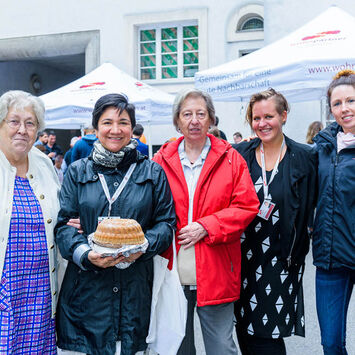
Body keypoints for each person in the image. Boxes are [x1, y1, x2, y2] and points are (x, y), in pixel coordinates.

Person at [55, 93, 175, 355]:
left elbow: (166, 223)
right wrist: (85, 254)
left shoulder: (152, 172)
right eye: (107, 122)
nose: (115, 129)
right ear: (96, 128)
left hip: (134, 293)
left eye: (123, 122)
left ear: (132, 128)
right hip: (86, 296)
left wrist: (144, 245)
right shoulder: (77, 172)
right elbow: (63, 226)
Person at [153, 88, 260, 355]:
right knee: (178, 347)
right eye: (187, 114)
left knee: (221, 347)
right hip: (173, 271)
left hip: (216, 269)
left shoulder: (231, 158)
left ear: (211, 119)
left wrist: (207, 226)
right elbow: (143, 205)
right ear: (177, 120)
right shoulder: (160, 160)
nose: (194, 120)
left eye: (201, 114)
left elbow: (246, 206)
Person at [233, 88, 317, 355]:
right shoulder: (240, 154)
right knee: (245, 329)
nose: (262, 123)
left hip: (281, 258)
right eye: (256, 118)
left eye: (269, 116)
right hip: (242, 257)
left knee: (266, 334)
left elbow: (315, 201)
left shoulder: (304, 157)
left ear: (284, 115)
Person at [0, 90, 61, 354]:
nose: (22, 130)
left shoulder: (44, 165)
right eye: (14, 121)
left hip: (40, 291)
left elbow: (59, 216)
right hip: (6, 293)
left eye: (30, 123)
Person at [312, 70, 355, 355]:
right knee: (331, 343)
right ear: (330, 110)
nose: (345, 109)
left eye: (351, 100)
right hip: (330, 259)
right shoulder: (321, 148)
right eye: (337, 103)